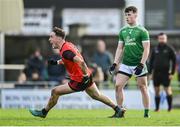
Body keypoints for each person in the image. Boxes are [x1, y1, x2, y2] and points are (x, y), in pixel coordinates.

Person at [29, 27, 125, 118]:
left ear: (58, 38)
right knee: (97, 95)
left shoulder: (66, 51)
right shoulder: (68, 45)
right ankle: (118, 109)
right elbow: (68, 59)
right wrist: (56, 62)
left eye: (51, 37)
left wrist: (84, 76)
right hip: (86, 75)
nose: (49, 40)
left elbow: (80, 61)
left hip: (80, 79)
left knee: (55, 91)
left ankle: (43, 112)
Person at [109, 6, 150, 118]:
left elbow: (146, 49)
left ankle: (146, 113)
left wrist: (141, 64)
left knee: (143, 87)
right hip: (126, 64)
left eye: (129, 14)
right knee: (118, 86)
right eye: (126, 15)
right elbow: (120, 48)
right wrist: (115, 63)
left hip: (139, 64)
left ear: (136, 15)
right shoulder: (123, 31)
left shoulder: (142, 31)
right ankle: (120, 111)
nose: (127, 17)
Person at [149, 33, 176, 112]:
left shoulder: (169, 49)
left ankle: (170, 108)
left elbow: (174, 62)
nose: (162, 40)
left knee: (167, 90)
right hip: (156, 73)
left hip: (166, 73)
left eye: (163, 38)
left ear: (166, 39)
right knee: (157, 91)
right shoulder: (155, 49)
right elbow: (151, 62)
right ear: (158, 39)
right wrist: (150, 73)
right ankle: (157, 108)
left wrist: (172, 73)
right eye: (160, 38)